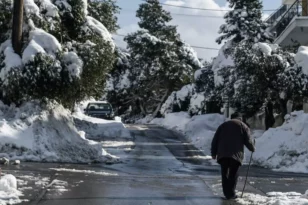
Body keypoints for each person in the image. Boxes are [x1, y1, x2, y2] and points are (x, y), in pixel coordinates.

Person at [211, 112, 255, 200]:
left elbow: (215, 140)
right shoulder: (243, 126)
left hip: (223, 154)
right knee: (233, 174)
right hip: (236, 154)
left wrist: (213, 153)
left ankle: (227, 193)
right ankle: (231, 193)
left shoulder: (223, 126)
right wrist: (252, 148)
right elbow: (248, 140)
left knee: (225, 173)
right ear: (240, 118)